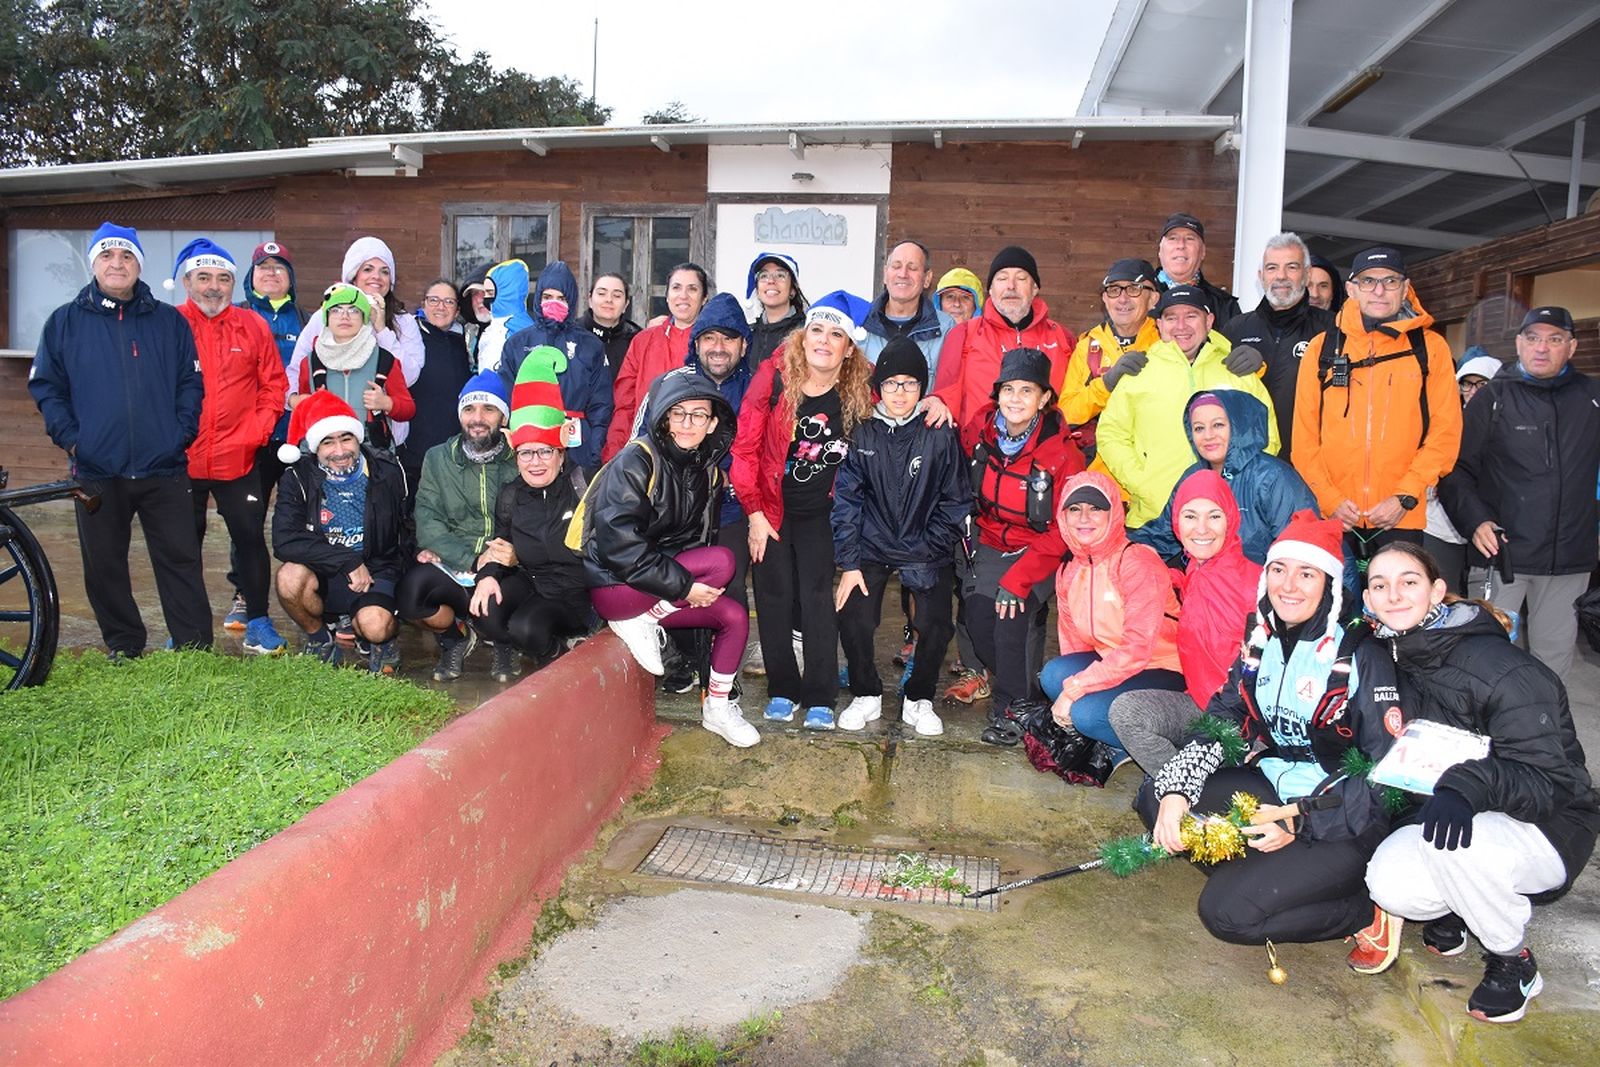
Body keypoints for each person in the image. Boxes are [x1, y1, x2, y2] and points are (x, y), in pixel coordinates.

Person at [1138, 510, 1404, 947]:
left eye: (1306, 574)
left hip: (1341, 819)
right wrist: (1177, 790)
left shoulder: (1361, 654)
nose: (1288, 585)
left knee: (1225, 914)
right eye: (1278, 570)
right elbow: (1224, 718)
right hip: (1276, 785)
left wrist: (1299, 824)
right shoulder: (1261, 639)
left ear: (1330, 584)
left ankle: (1363, 909)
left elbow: (1384, 776)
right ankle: (1268, 874)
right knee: (1156, 796)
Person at [1358, 542, 1598, 1023]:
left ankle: (1513, 960)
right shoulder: (1395, 654)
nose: (1395, 594)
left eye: (1410, 582)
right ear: (1368, 600)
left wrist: (1465, 786)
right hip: (1467, 813)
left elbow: (1552, 781)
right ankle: (1460, 905)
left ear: (1438, 591)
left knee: (1456, 845)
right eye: (1380, 585)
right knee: (1389, 883)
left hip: (1549, 828)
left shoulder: (1504, 669)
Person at [29, 221, 212, 657]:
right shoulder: (64, 323)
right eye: (108, 255)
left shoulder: (168, 321)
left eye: (126, 256)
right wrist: (75, 441)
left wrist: (179, 435)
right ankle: (125, 645)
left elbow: (190, 383)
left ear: (138, 265)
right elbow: (46, 388)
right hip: (96, 470)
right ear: (94, 263)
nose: (117, 263)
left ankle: (194, 649)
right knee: (105, 565)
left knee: (180, 561)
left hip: (164, 467)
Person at [577, 365, 758, 748]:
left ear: (712, 424)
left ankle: (719, 708)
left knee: (733, 615)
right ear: (664, 418)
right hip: (616, 585)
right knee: (723, 562)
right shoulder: (636, 461)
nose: (688, 423)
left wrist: (689, 586)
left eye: (698, 414)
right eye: (679, 413)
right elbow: (618, 546)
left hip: (655, 590)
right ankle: (640, 618)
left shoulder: (703, 473)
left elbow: (691, 544)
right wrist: (686, 586)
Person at [732, 291, 875, 731]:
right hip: (773, 509)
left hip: (824, 514)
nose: (824, 342)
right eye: (817, 330)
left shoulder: (862, 389)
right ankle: (782, 689)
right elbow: (745, 448)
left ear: (849, 347)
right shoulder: (773, 378)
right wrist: (754, 514)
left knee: (817, 601)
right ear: (803, 335)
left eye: (836, 335)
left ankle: (819, 693)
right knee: (773, 597)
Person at [1440, 307, 1600, 680]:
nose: (1542, 348)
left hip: (1569, 559)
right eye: (1532, 338)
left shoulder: (1592, 398)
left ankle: (1542, 735)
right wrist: (1476, 521)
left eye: (1554, 339)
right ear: (1519, 343)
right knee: (1489, 660)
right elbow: (1455, 472)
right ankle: (1490, 735)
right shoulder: (1493, 398)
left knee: (1553, 665)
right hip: (1503, 554)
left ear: (1572, 347)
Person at [1292, 247, 1462, 593]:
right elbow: (1304, 439)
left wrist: (1405, 496)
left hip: (1401, 515)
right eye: (1368, 282)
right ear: (1352, 289)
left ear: (1405, 287)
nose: (1379, 290)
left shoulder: (1430, 348)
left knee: (1398, 614)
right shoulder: (1323, 349)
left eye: (1389, 281)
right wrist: (1329, 500)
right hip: (1336, 515)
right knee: (1337, 611)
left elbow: (1445, 433)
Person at [832, 337, 971, 736]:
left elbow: (957, 498)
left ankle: (918, 697)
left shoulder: (938, 431)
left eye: (910, 384)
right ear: (880, 387)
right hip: (873, 545)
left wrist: (930, 544)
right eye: (892, 383)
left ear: (922, 388)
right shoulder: (864, 432)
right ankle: (866, 693)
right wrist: (850, 562)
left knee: (936, 622)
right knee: (853, 614)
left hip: (925, 545)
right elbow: (846, 501)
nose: (900, 393)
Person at [955, 347, 1086, 745]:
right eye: (1007, 389)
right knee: (979, 623)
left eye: (1026, 390)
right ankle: (1028, 692)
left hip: (1039, 549)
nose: (1014, 399)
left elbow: (1065, 529)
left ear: (1044, 398)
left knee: (1009, 619)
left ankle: (1011, 712)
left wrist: (1021, 579)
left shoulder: (1064, 455)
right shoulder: (982, 428)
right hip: (991, 541)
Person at [171, 237, 289, 655]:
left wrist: (254, 433)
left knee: (249, 538)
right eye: (204, 277)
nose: (214, 286)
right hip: (181, 458)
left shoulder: (253, 325)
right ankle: (185, 628)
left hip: (238, 457)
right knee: (183, 544)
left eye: (223, 278)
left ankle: (257, 619)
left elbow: (274, 385)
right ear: (187, 282)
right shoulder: (170, 325)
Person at [1027, 471, 1184, 769]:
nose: (1084, 517)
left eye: (1096, 508)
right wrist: (1071, 689)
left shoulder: (1136, 561)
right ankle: (1116, 739)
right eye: (1075, 509)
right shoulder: (1070, 570)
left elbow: (1137, 649)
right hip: (1116, 664)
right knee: (1052, 676)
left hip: (1162, 667)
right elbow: (1074, 645)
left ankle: (1155, 739)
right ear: (1062, 516)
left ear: (1113, 513)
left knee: (1085, 713)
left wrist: (1076, 690)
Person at [1108, 470, 1260, 773]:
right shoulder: (1195, 568)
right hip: (1198, 705)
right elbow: (1199, 597)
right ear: (1177, 522)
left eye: (1214, 516)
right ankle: (1181, 788)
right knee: (1126, 712)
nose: (1201, 528)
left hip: (1244, 723)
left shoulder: (1258, 583)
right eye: (1190, 516)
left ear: (1231, 518)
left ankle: (1197, 787)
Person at [1095, 285, 1278, 529]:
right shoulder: (1139, 373)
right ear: (1159, 325)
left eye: (1191, 316)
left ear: (1209, 320)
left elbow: (1266, 437)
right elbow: (1110, 434)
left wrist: (1236, 484)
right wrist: (1142, 481)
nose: (1181, 326)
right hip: (1155, 517)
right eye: (1171, 317)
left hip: (1225, 518)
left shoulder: (1236, 371)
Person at [469, 350, 592, 676]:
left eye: (543, 451)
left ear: (561, 452)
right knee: (485, 610)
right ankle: (553, 651)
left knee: (526, 628)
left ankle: (568, 647)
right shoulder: (512, 495)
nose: (535, 462)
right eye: (525, 453)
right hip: (537, 586)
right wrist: (487, 576)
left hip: (582, 598)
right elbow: (500, 546)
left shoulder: (586, 486)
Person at [396, 370, 520, 682]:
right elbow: (427, 520)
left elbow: (528, 520)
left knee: (493, 612)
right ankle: (455, 637)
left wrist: (496, 561)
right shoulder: (438, 457)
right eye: (469, 409)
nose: (477, 418)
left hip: (506, 562)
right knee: (411, 595)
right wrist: (469, 559)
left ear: (503, 416)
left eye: (489, 409)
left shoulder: (520, 457)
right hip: (456, 559)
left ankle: (503, 642)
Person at [272, 392, 406, 671]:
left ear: (358, 439)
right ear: (315, 447)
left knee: (376, 626)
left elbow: (408, 526)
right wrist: (347, 560)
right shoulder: (297, 477)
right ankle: (319, 637)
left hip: (375, 568)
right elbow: (284, 540)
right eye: (328, 442)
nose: (340, 451)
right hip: (325, 568)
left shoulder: (387, 470)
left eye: (346, 438)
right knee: (288, 578)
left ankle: (379, 636)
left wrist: (400, 580)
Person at [1131, 390, 1315, 564]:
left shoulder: (1272, 477)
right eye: (1199, 428)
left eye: (1218, 425)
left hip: (1262, 590)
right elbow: (1164, 533)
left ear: (1239, 427)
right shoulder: (1194, 476)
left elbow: (1306, 548)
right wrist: (1119, 554)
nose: (1208, 435)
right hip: (1204, 586)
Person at [928, 246, 1077, 450]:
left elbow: (1077, 401)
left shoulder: (1063, 338)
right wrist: (937, 401)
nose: (1011, 286)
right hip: (979, 459)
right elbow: (946, 395)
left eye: (1021, 278)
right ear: (991, 289)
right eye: (1002, 278)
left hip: (1045, 461)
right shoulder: (964, 334)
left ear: (1035, 289)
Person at [1221, 233, 1336, 453]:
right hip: (1245, 462)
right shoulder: (1235, 329)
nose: (1281, 276)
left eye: (1292, 267)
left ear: (1306, 275)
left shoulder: (1331, 329)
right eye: (1272, 268)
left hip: (1306, 465)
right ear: (1261, 276)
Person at [499, 260, 613, 476]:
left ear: (571, 301)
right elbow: (506, 400)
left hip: (577, 447)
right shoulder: (517, 344)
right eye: (547, 297)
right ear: (538, 298)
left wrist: (593, 452)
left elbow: (602, 405)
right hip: (532, 447)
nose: (554, 303)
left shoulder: (590, 346)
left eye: (561, 298)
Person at [289, 236, 424, 397]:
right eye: (368, 269)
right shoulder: (325, 316)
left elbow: (409, 377)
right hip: (331, 416)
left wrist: (381, 330)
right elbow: (297, 367)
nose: (377, 276)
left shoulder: (403, 321)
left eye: (385, 271)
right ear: (353, 276)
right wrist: (293, 398)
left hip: (382, 419)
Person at [1058, 258, 1162, 456]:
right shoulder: (1087, 346)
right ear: (1105, 299)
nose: (1122, 299)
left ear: (1153, 299)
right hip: (1099, 463)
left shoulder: (1166, 342)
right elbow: (1067, 413)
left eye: (1134, 289)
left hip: (1152, 460)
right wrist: (1106, 384)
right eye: (1113, 290)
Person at [291, 285, 416, 452]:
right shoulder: (310, 362)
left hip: (373, 455)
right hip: (326, 454)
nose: (344, 316)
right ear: (326, 317)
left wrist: (386, 403)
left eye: (353, 310)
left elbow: (408, 409)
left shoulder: (384, 359)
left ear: (364, 317)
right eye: (336, 310)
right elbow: (304, 411)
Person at [605, 263, 709, 461]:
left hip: (695, 456)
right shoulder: (643, 341)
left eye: (692, 289)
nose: (683, 296)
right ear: (667, 295)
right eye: (676, 288)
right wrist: (614, 455)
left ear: (704, 298)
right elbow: (624, 405)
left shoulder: (712, 345)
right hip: (646, 452)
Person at [1423, 353, 1501, 594]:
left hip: (1489, 528)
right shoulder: (1443, 418)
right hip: (1443, 527)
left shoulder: (1507, 421)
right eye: (1467, 383)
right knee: (1446, 596)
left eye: (1482, 384)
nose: (1472, 390)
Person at [399, 278, 475, 501]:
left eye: (448, 302)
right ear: (423, 304)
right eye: (434, 300)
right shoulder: (410, 337)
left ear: (457, 309)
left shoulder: (465, 342)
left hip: (455, 450)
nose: (440, 307)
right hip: (416, 448)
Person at [859, 240, 954, 375]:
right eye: (896, 266)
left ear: (927, 278)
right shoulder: (860, 321)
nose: (903, 274)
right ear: (885, 274)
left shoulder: (946, 329)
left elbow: (948, 388)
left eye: (913, 268)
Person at [1155, 212, 1241, 323]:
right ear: (1160, 250)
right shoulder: (1138, 297)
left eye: (1190, 239)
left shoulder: (1224, 305)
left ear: (1203, 252)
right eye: (1172, 238)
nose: (1181, 245)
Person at [575, 271, 641, 386]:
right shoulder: (572, 333)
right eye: (601, 293)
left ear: (626, 304)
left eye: (617, 295)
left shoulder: (637, 340)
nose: (609, 300)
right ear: (590, 300)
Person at [474, 259, 533, 375]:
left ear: (507, 293)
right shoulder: (496, 325)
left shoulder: (519, 330)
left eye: (490, 293)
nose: (485, 299)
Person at [745, 252, 807, 364]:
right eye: (764, 276)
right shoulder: (749, 334)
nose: (771, 281)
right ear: (757, 291)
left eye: (780, 275)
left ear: (792, 290)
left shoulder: (805, 334)